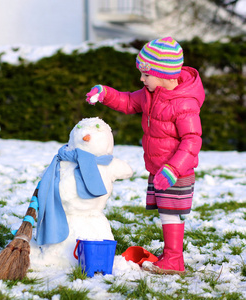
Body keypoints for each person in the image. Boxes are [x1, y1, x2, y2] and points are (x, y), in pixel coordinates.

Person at [85, 37, 205, 274]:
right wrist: (106, 93)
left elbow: (192, 140)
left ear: (164, 75)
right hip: (160, 168)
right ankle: (171, 255)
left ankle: (174, 259)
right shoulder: (151, 94)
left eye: (146, 74)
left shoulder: (184, 103)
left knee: (172, 212)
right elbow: (129, 101)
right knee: (166, 211)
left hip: (175, 171)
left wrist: (173, 169)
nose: (141, 79)